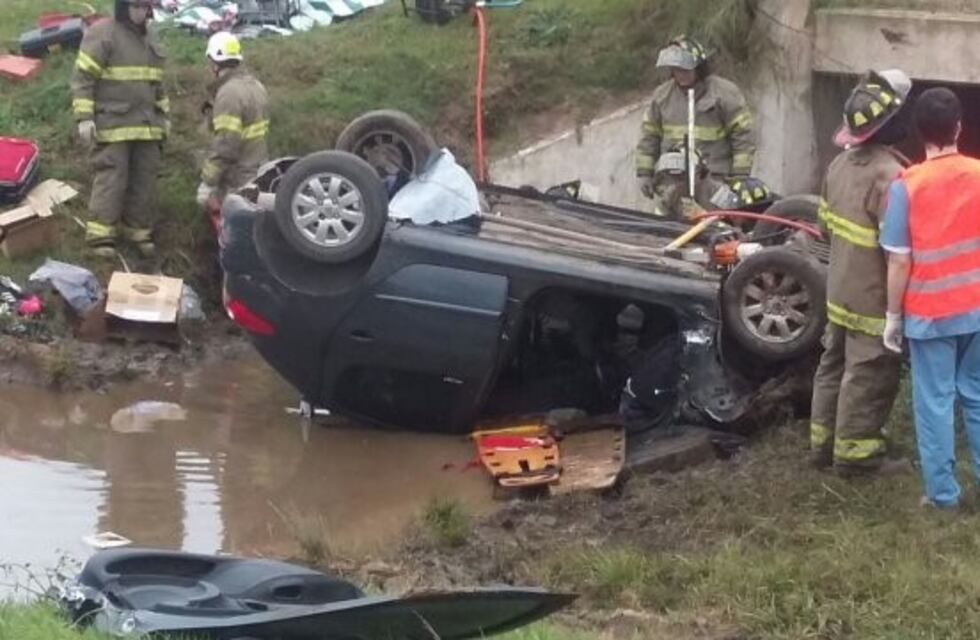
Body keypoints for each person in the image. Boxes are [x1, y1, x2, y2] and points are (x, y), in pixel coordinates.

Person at [880, 87, 980, 509]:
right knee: (976, 394)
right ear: (959, 127)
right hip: (977, 308)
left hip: (930, 314)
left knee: (935, 403)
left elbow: (899, 261)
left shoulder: (907, 186)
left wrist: (891, 317)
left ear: (920, 132)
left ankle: (943, 497)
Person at [809, 69, 913, 474]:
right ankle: (857, 457)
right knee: (867, 374)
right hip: (873, 297)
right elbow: (898, 249)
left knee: (832, 365)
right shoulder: (891, 177)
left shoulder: (838, 165)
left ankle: (822, 446)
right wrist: (898, 309)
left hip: (838, 290)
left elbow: (823, 226)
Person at [71, 0, 169, 258]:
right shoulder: (103, 33)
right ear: (123, 6)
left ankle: (137, 230)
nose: (140, 12)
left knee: (144, 178)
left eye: (145, 7)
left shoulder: (152, 38)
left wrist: (164, 116)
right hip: (113, 123)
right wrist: (84, 117)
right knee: (112, 175)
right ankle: (100, 235)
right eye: (136, 6)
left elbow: (157, 84)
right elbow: (83, 79)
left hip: (147, 125)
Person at [636, 35, 755, 206]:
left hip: (716, 180)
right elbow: (649, 137)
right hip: (673, 182)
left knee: (718, 225)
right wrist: (645, 174)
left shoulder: (724, 93)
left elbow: (743, 137)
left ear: (699, 67)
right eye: (676, 70)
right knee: (670, 227)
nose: (681, 75)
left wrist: (740, 178)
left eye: (686, 70)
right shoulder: (662, 96)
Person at [196, 32, 269, 209]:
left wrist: (208, 181)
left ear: (214, 62)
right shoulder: (255, 85)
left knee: (235, 232)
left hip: (239, 180)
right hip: (260, 170)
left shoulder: (228, 93)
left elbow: (226, 144)